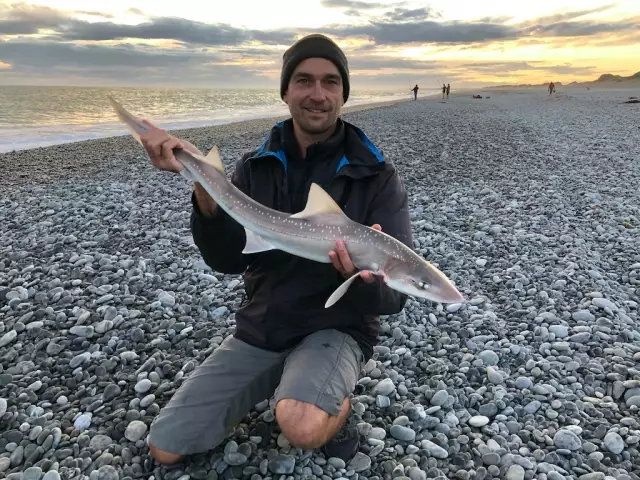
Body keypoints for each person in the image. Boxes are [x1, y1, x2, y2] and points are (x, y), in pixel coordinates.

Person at [137, 33, 413, 465]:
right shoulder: (256, 166)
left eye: (330, 82)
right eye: (303, 80)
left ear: (344, 93)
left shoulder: (375, 175)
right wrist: (205, 188)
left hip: (335, 327)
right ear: (285, 91)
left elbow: (393, 298)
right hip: (265, 324)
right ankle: (287, 380)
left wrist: (356, 276)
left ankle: (330, 402)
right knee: (167, 447)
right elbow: (226, 260)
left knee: (302, 425)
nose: (317, 95)